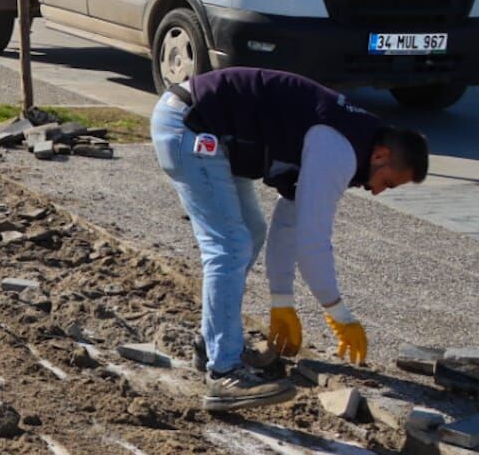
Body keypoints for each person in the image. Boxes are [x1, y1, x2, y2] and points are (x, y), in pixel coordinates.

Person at [152, 67, 428, 410]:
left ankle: (213, 345)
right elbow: (313, 241)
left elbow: (290, 221)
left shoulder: (348, 141)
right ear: (381, 155)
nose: (376, 192)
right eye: (387, 182)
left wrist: (281, 299)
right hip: (190, 125)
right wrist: (338, 312)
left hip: (207, 130)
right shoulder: (340, 149)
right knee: (229, 245)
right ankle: (223, 372)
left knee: (250, 234)